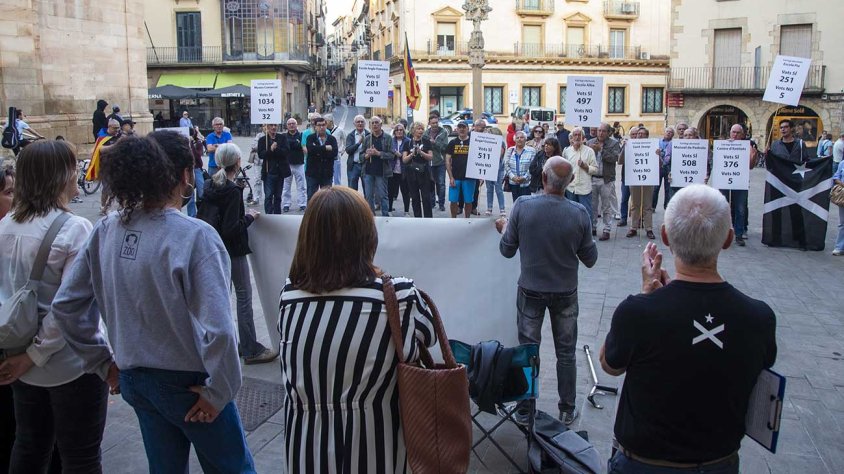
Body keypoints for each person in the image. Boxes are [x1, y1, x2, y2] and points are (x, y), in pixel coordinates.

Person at [51, 134, 256, 473]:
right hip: (189, 384)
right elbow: (219, 329)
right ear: (184, 175)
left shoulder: (106, 229)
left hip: (135, 377)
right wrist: (220, 392)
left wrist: (104, 363)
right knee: (233, 468)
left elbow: (66, 306)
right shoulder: (195, 236)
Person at [600, 185, 777, 473]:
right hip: (718, 462)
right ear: (729, 239)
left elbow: (610, 364)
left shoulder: (638, 312)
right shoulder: (759, 318)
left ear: (666, 237)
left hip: (644, 463)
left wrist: (648, 295)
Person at [279, 186, 436, 472]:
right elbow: (426, 338)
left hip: (305, 451)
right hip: (376, 450)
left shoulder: (289, 296)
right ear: (366, 236)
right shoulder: (398, 296)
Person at [0, 141, 116, 472]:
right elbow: (69, 309)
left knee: (30, 444)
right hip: (70, 363)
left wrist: (23, 358)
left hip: (20, 358)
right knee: (80, 455)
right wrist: (35, 355)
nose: (77, 172)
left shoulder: (5, 226)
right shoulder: (74, 228)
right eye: (71, 167)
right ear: (58, 176)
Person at [496, 156, 597, 425]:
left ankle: (526, 408)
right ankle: (566, 408)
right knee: (566, 351)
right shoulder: (579, 213)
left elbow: (506, 250)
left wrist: (505, 227)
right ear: (571, 181)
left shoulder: (523, 206)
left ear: (542, 178)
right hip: (565, 291)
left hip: (531, 289)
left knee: (528, 349)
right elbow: (591, 259)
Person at [199, 142, 278, 365]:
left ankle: (220, 345)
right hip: (232, 250)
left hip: (213, 249)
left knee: (221, 297)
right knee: (244, 296)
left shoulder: (208, 184)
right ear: (238, 162)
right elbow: (231, 228)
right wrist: (251, 217)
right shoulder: (232, 191)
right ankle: (250, 348)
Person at [719, 124, 758, 247]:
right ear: (730, 133)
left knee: (740, 208)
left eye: (737, 133)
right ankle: (724, 233)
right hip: (724, 180)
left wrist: (753, 156)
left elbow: (751, 166)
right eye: (733, 132)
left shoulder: (747, 147)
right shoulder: (723, 144)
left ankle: (739, 234)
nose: (735, 135)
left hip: (740, 181)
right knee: (724, 206)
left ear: (742, 134)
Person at [587, 123, 622, 241]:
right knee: (593, 205)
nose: (600, 133)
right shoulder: (590, 142)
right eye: (599, 131)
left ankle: (607, 229)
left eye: (603, 131)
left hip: (606, 179)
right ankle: (593, 227)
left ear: (608, 133)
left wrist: (601, 150)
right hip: (592, 178)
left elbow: (614, 159)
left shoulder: (614, 143)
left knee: (606, 206)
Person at [562, 127, 598, 226]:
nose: (577, 137)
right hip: (571, 188)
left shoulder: (589, 151)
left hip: (584, 188)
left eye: (579, 135)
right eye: (575, 135)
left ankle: (588, 235)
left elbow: (595, 169)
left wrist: (586, 167)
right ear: (571, 137)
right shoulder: (567, 151)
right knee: (571, 213)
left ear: (583, 137)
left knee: (586, 213)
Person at [625, 127, 656, 239]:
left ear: (647, 136)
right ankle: (633, 227)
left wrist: (658, 155)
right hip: (634, 177)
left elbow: (659, 164)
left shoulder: (652, 146)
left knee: (647, 205)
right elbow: (620, 161)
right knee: (635, 204)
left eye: (643, 134)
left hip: (648, 178)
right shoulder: (630, 146)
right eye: (639, 133)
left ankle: (649, 228)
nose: (640, 135)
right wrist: (625, 148)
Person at [362, 116, 394, 216]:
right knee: (368, 196)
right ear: (370, 125)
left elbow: (392, 155)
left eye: (377, 123)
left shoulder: (388, 138)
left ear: (381, 125)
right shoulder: (367, 138)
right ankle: (371, 215)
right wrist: (367, 155)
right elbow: (361, 156)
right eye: (372, 123)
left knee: (383, 195)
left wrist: (378, 153)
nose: (375, 125)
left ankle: (385, 215)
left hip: (382, 171)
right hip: (368, 171)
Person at [257, 123, 291, 214]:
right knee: (268, 196)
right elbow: (261, 154)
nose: (273, 127)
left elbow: (286, 152)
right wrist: (270, 150)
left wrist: (276, 150)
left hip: (280, 172)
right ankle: (269, 215)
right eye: (271, 125)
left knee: (278, 196)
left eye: (275, 125)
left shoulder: (282, 138)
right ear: (267, 127)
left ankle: (277, 215)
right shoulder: (263, 140)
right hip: (268, 172)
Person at [402, 121, 434, 218]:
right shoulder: (407, 142)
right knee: (415, 197)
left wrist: (420, 152)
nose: (420, 131)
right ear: (413, 130)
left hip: (424, 172)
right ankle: (417, 218)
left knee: (426, 197)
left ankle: (428, 219)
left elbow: (430, 157)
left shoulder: (426, 141)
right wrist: (412, 154)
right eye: (418, 129)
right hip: (411, 173)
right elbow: (404, 160)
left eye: (422, 129)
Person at [445, 121, 475, 218]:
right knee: (453, 200)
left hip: (469, 177)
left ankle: (467, 220)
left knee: (468, 201)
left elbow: (480, 159)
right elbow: (447, 160)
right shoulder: (452, 143)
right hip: (455, 177)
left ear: (468, 129)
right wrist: (451, 177)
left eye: (464, 127)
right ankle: (453, 220)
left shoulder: (474, 142)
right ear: (457, 129)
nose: (462, 129)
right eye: (460, 127)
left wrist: (481, 176)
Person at [304, 117, 338, 201]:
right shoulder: (310, 138)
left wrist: (318, 150)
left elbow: (334, 153)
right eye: (319, 125)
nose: (321, 127)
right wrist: (325, 148)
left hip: (327, 173)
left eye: (323, 125)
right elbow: (311, 150)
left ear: (326, 126)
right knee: (311, 198)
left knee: (327, 199)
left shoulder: (332, 139)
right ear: (315, 126)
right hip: (312, 173)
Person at [282, 117, 308, 212]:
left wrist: (293, 145)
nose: (291, 125)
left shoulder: (302, 135)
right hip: (287, 164)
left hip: (299, 164)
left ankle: (302, 204)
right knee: (286, 186)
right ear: (287, 126)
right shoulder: (283, 136)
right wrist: (295, 144)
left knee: (301, 186)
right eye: (289, 124)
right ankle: (286, 204)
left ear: (297, 125)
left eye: (293, 123)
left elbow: (300, 146)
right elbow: (287, 147)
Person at [504, 130, 536, 203]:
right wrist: (513, 177)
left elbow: (532, 167)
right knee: (516, 203)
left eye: (521, 137)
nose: (519, 139)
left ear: (525, 139)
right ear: (514, 140)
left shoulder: (532, 151)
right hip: (513, 182)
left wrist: (524, 177)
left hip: (526, 183)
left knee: (526, 204)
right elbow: (506, 164)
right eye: (517, 137)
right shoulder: (510, 150)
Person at [426, 113, 449, 211]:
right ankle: (431, 203)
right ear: (429, 123)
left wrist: (435, 143)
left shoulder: (443, 132)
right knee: (431, 183)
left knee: (441, 184)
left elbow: (445, 147)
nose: (435, 125)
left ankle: (441, 204)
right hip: (430, 162)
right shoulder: (426, 133)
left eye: (436, 122)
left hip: (440, 162)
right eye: (433, 123)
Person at [617, 126, 638, 228]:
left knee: (637, 200)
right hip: (626, 176)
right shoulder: (626, 145)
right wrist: (624, 148)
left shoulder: (646, 145)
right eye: (633, 134)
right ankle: (623, 218)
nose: (635, 136)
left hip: (638, 177)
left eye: (636, 134)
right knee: (624, 199)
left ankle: (637, 220)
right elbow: (620, 161)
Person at [388, 122, 410, 215]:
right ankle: (389, 209)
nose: (399, 132)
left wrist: (400, 155)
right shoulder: (391, 140)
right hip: (392, 170)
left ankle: (406, 211)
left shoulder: (408, 141)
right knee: (390, 191)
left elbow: (410, 154)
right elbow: (388, 151)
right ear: (394, 132)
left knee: (405, 192)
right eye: (397, 130)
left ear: (404, 131)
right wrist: (394, 153)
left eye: (401, 130)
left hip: (404, 170)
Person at [485, 126, 507, 216]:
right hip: (488, 168)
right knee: (489, 189)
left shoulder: (501, 143)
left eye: (489, 133)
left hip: (498, 169)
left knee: (498, 189)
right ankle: (489, 208)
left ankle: (502, 208)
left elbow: (499, 154)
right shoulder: (486, 142)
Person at [345, 115, 370, 193]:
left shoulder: (369, 135)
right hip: (354, 165)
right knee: (352, 191)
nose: (360, 123)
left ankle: (366, 205)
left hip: (366, 165)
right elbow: (348, 150)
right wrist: (358, 143)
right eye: (358, 122)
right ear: (354, 124)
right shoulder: (350, 135)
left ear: (365, 124)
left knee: (368, 190)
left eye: (362, 122)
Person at [186, 126, 206, 217]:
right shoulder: (184, 143)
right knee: (190, 195)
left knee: (201, 191)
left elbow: (198, 156)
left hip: (197, 168)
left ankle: (202, 212)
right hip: (188, 170)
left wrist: (191, 145)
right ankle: (192, 215)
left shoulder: (198, 143)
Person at [653, 127, 674, 210]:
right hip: (658, 167)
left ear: (673, 134)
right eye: (667, 131)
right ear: (664, 133)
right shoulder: (657, 142)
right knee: (655, 188)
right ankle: (652, 206)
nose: (668, 133)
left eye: (671, 132)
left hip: (669, 168)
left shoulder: (674, 143)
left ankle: (667, 206)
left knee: (668, 189)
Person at [326, 114, 346, 186]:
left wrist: (342, 151)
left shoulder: (339, 130)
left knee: (337, 176)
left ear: (331, 122)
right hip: (326, 156)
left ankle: (338, 190)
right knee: (327, 176)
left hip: (336, 156)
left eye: (326, 121)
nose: (324, 123)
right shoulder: (324, 131)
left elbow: (345, 141)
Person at [834, 160, 844, 256]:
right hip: (843, 196)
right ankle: (839, 247)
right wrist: (841, 183)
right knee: (842, 223)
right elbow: (836, 177)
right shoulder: (842, 163)